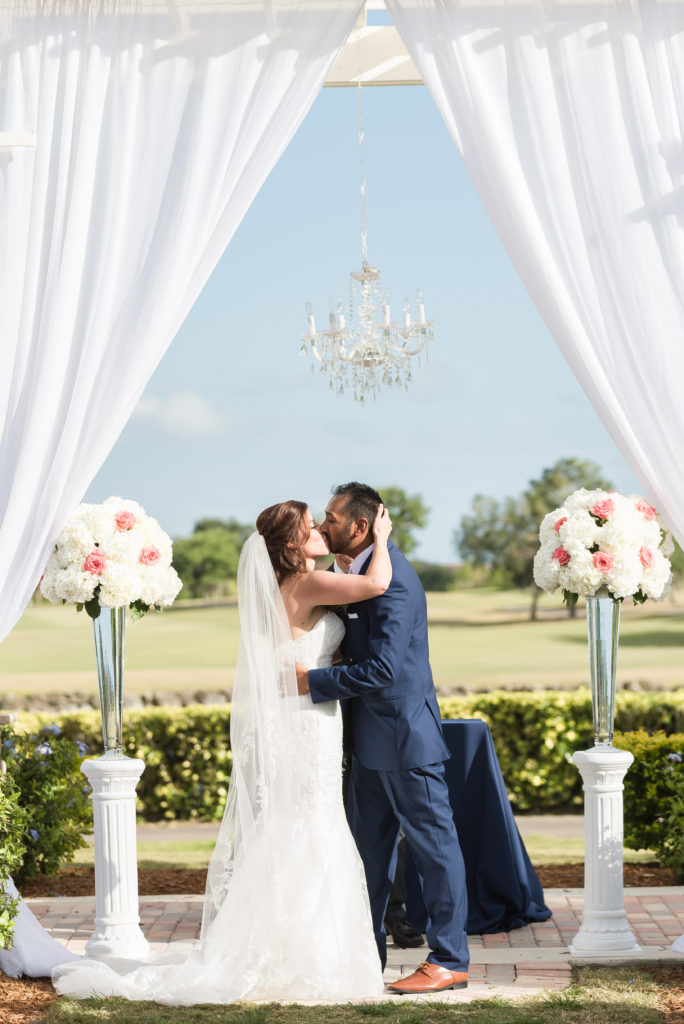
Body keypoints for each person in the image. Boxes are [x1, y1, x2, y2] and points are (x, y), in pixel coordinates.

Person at [53, 500, 393, 1004]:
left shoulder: (284, 587)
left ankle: (288, 950)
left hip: (305, 717)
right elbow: (376, 586)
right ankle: (306, 956)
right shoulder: (308, 582)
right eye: (310, 526)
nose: (320, 529)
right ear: (293, 544)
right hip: (306, 721)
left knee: (298, 823)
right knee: (312, 822)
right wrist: (381, 538)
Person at [296, 482, 470, 994]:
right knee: (366, 856)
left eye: (330, 517)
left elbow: (386, 670)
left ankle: (449, 960)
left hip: (404, 738)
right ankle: (363, 955)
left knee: (435, 849)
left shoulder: (393, 580)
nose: (323, 526)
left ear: (360, 526)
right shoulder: (346, 572)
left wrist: (315, 682)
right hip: (363, 745)